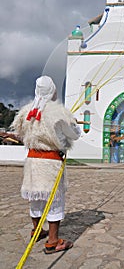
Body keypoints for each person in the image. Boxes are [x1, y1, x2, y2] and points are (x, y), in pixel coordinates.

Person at [12, 76, 81, 254]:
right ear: (53, 90)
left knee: (35, 196)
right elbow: (73, 135)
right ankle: (52, 241)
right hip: (51, 163)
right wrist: (74, 126)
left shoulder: (26, 112)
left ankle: (36, 231)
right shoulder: (60, 113)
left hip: (33, 161)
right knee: (54, 200)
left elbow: (19, 133)